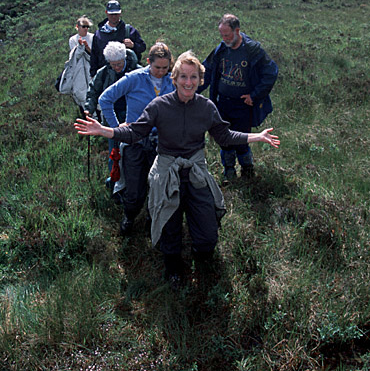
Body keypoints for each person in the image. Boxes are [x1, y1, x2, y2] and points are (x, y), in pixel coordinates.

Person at [75, 51, 280, 288]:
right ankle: (172, 265)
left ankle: (201, 257)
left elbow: (224, 135)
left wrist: (257, 137)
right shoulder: (159, 106)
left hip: (195, 170)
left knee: (207, 236)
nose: (188, 82)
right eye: (183, 76)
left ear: (200, 80)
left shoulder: (206, 107)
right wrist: (106, 131)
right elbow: (135, 131)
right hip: (167, 169)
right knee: (169, 225)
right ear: (174, 79)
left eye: (194, 77)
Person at [98, 42, 174, 235]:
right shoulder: (134, 78)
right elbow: (105, 99)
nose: (161, 72)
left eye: (165, 68)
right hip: (135, 142)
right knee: (134, 189)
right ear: (148, 62)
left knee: (158, 186)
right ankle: (129, 217)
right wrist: (117, 127)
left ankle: (151, 220)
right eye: (157, 67)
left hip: (162, 143)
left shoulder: (172, 80)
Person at [199, 14, 278, 181]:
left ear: (237, 31)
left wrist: (255, 96)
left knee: (242, 140)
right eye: (222, 35)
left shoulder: (253, 50)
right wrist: (191, 90)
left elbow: (271, 73)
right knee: (224, 139)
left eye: (227, 35)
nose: (224, 38)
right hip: (222, 104)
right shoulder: (221, 49)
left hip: (243, 106)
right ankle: (229, 172)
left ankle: (247, 171)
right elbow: (207, 71)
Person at [84, 41, 139, 185]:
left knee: (133, 150)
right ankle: (115, 180)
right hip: (111, 116)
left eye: (120, 64)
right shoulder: (103, 73)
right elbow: (93, 91)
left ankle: (133, 180)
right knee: (114, 149)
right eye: (113, 65)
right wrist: (89, 108)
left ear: (125, 59)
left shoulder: (137, 71)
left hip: (132, 116)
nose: (117, 68)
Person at [90, 0, 146, 77]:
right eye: (111, 14)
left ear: (120, 13)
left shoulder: (129, 30)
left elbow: (142, 47)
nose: (114, 17)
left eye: (116, 14)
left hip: (128, 75)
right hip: (105, 77)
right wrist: (93, 74)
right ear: (106, 13)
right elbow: (94, 56)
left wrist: (133, 46)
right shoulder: (99, 34)